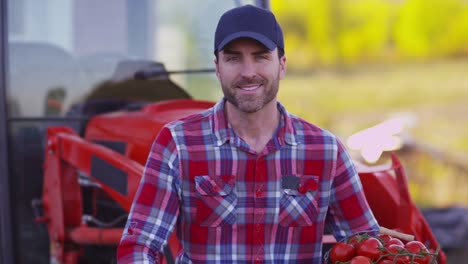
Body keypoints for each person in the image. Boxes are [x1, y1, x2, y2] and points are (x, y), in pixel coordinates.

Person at [117, 4, 379, 263]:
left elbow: (366, 246)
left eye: (261, 56)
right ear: (217, 67)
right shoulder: (177, 144)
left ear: (282, 65)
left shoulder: (326, 151)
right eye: (233, 58)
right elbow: (139, 247)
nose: (248, 72)